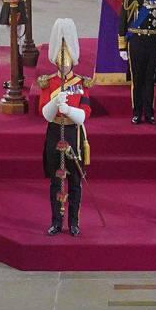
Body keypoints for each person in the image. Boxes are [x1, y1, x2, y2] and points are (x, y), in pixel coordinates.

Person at [39, 19, 92, 236]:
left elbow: (85, 114)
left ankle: (74, 222)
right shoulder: (49, 82)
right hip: (55, 131)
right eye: (61, 62)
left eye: (67, 61)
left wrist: (69, 110)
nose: (64, 65)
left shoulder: (80, 83)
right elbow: (44, 113)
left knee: (74, 182)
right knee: (55, 181)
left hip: (72, 133)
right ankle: (55, 221)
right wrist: (54, 102)